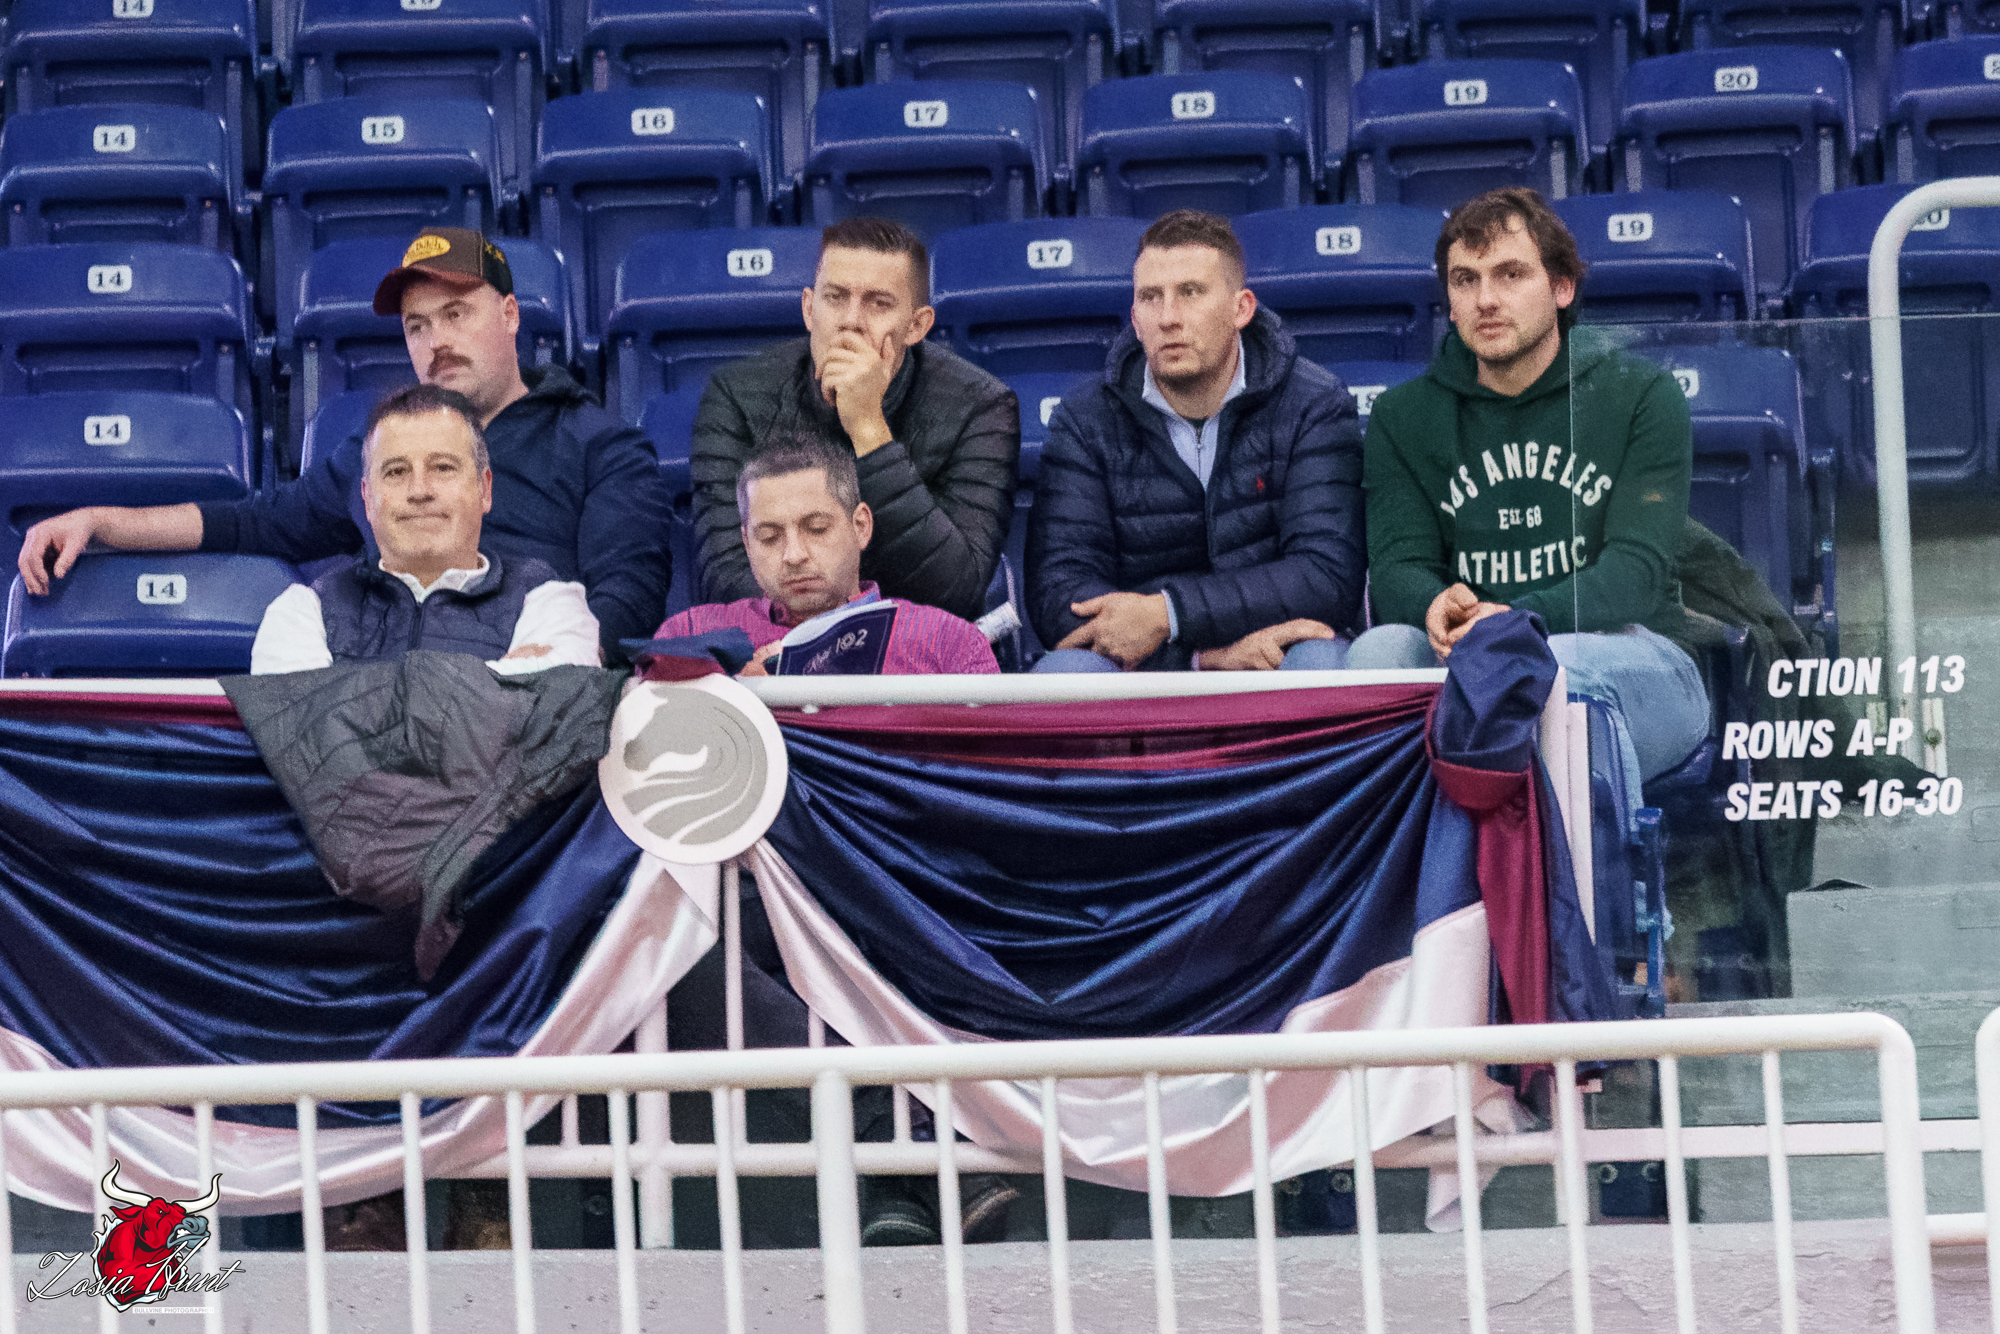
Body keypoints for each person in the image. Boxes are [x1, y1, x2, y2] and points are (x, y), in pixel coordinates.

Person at [15, 227, 669, 658]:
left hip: (528, 701)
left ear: (510, 315)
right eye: (417, 326)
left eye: (455, 314)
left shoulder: (601, 446)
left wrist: (533, 679)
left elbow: (627, 600)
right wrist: (103, 523)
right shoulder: (379, 450)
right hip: (381, 701)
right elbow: (256, 523)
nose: (436, 342)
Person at [1348, 186, 1708, 786]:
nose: (1486, 299)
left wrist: (1512, 624)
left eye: (1510, 274)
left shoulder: (1641, 395)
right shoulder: (1402, 416)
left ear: (1562, 288)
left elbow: (1636, 574)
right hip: (1468, 652)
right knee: (1376, 655)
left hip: (1631, 651)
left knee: (1551, 671)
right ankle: (1411, 848)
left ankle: (1578, 852)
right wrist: (1433, 605)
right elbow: (1397, 567)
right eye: (1465, 280)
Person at [1025, 209, 1365, 673]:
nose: (1168, 318)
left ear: (1241, 308)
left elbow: (1325, 577)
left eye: (1190, 293)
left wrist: (1168, 614)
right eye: (1151, 297)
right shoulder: (1085, 420)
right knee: (1065, 672)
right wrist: (1199, 659)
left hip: (1277, 654)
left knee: (1321, 662)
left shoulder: (1314, 403)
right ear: (1135, 319)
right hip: (1149, 672)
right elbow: (1060, 595)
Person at [690, 216, 1018, 622]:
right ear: (809, 309)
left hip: (917, 647)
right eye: (835, 298)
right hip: (780, 644)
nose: (851, 321)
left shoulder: (980, 406)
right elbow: (724, 576)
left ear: (917, 326)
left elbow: (956, 592)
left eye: (878, 303)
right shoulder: (736, 395)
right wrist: (826, 633)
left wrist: (868, 428)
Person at [250, 384, 601, 674]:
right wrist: (499, 681)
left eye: (443, 468)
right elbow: (300, 728)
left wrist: (348, 695)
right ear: (367, 499)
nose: (419, 490)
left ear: (484, 489)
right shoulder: (302, 611)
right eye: (396, 471)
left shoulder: (551, 603)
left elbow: (552, 718)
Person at [658, 434, 998, 675]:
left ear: (861, 526)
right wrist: (732, 696)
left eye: (817, 528)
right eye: (770, 537)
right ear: (747, 544)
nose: (793, 555)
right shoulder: (690, 636)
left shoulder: (949, 644)